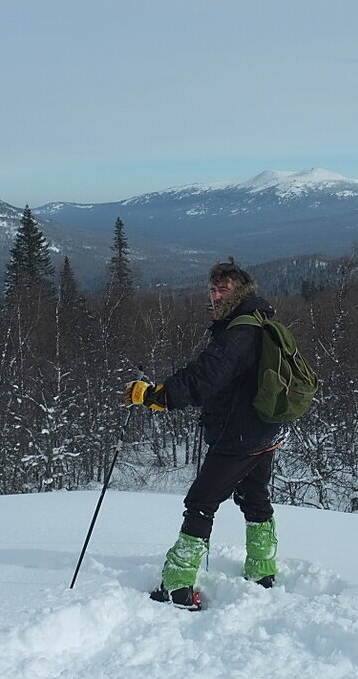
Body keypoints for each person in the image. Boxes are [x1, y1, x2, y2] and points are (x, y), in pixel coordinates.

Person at [124, 257, 284, 609]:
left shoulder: (241, 331)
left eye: (223, 289)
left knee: (201, 503)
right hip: (265, 428)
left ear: (241, 290)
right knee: (254, 496)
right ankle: (262, 570)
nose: (214, 295)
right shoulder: (260, 318)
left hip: (241, 434)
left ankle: (178, 585)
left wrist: (157, 396)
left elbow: (205, 376)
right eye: (212, 289)